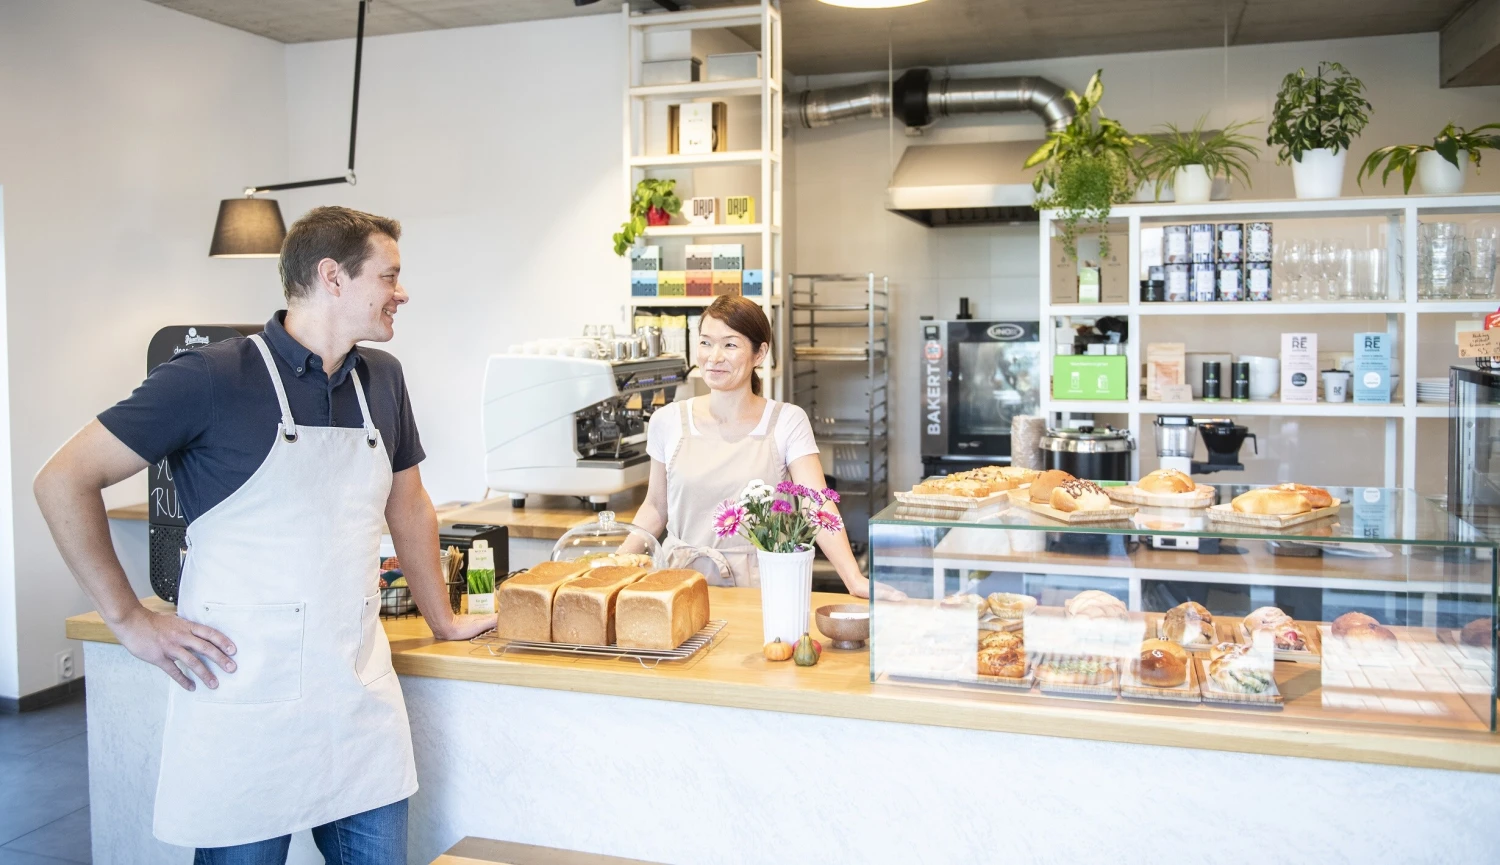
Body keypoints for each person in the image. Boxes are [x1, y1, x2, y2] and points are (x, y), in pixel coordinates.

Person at [33, 206, 495, 864]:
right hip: (244, 706)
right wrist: (128, 617)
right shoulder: (211, 378)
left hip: (357, 702)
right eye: (390, 275)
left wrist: (443, 618)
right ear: (333, 277)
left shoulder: (382, 381)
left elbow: (409, 504)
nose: (403, 291)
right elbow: (62, 479)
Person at [633, 295, 899, 599]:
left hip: (760, 584)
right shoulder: (667, 420)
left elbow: (816, 502)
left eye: (730, 345)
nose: (714, 356)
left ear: (759, 354)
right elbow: (655, 507)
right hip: (679, 583)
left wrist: (854, 578)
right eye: (706, 342)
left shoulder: (786, 421)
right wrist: (613, 564)